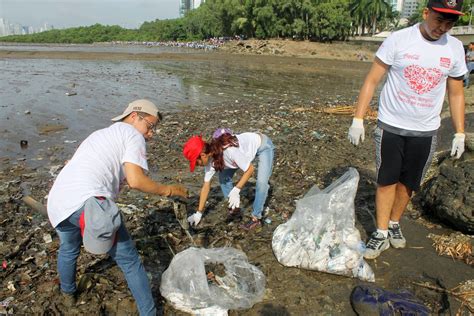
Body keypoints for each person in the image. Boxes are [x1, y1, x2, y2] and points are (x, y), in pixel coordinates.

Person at [348, 0, 467, 260]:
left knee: (409, 183)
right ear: (426, 13)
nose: (443, 27)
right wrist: (358, 119)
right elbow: (372, 80)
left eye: (450, 22)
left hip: (426, 130)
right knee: (386, 179)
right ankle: (380, 232)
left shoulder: (456, 48)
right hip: (391, 125)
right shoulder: (399, 40)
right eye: (438, 19)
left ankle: (394, 223)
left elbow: (456, 93)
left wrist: (460, 132)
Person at [47, 99, 188, 315]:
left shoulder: (99, 135)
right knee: (129, 261)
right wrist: (169, 190)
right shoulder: (132, 135)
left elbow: (72, 164)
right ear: (134, 116)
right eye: (150, 126)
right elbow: (136, 181)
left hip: (58, 201)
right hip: (88, 202)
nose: (151, 134)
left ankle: (68, 295)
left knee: (69, 248)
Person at [183, 128, 275, 231]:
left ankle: (256, 218)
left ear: (203, 155)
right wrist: (198, 213)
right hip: (242, 155)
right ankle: (234, 208)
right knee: (223, 178)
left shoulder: (229, 151)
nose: (196, 166)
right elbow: (205, 187)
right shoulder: (209, 162)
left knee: (261, 183)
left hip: (263, 146)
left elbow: (250, 170)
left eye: (196, 162)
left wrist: (237, 189)